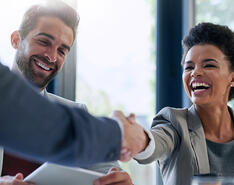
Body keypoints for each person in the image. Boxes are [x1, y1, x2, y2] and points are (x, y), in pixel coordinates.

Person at [0, 1, 147, 180]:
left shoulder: (77, 115)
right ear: (16, 40)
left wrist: (119, 180)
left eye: (62, 51)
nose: (52, 56)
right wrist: (119, 134)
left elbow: (107, 173)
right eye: (44, 41)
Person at [110, 22, 234, 185]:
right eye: (189, 67)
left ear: (232, 78)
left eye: (209, 65)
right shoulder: (174, 123)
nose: (195, 72)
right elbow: (154, 142)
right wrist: (136, 138)